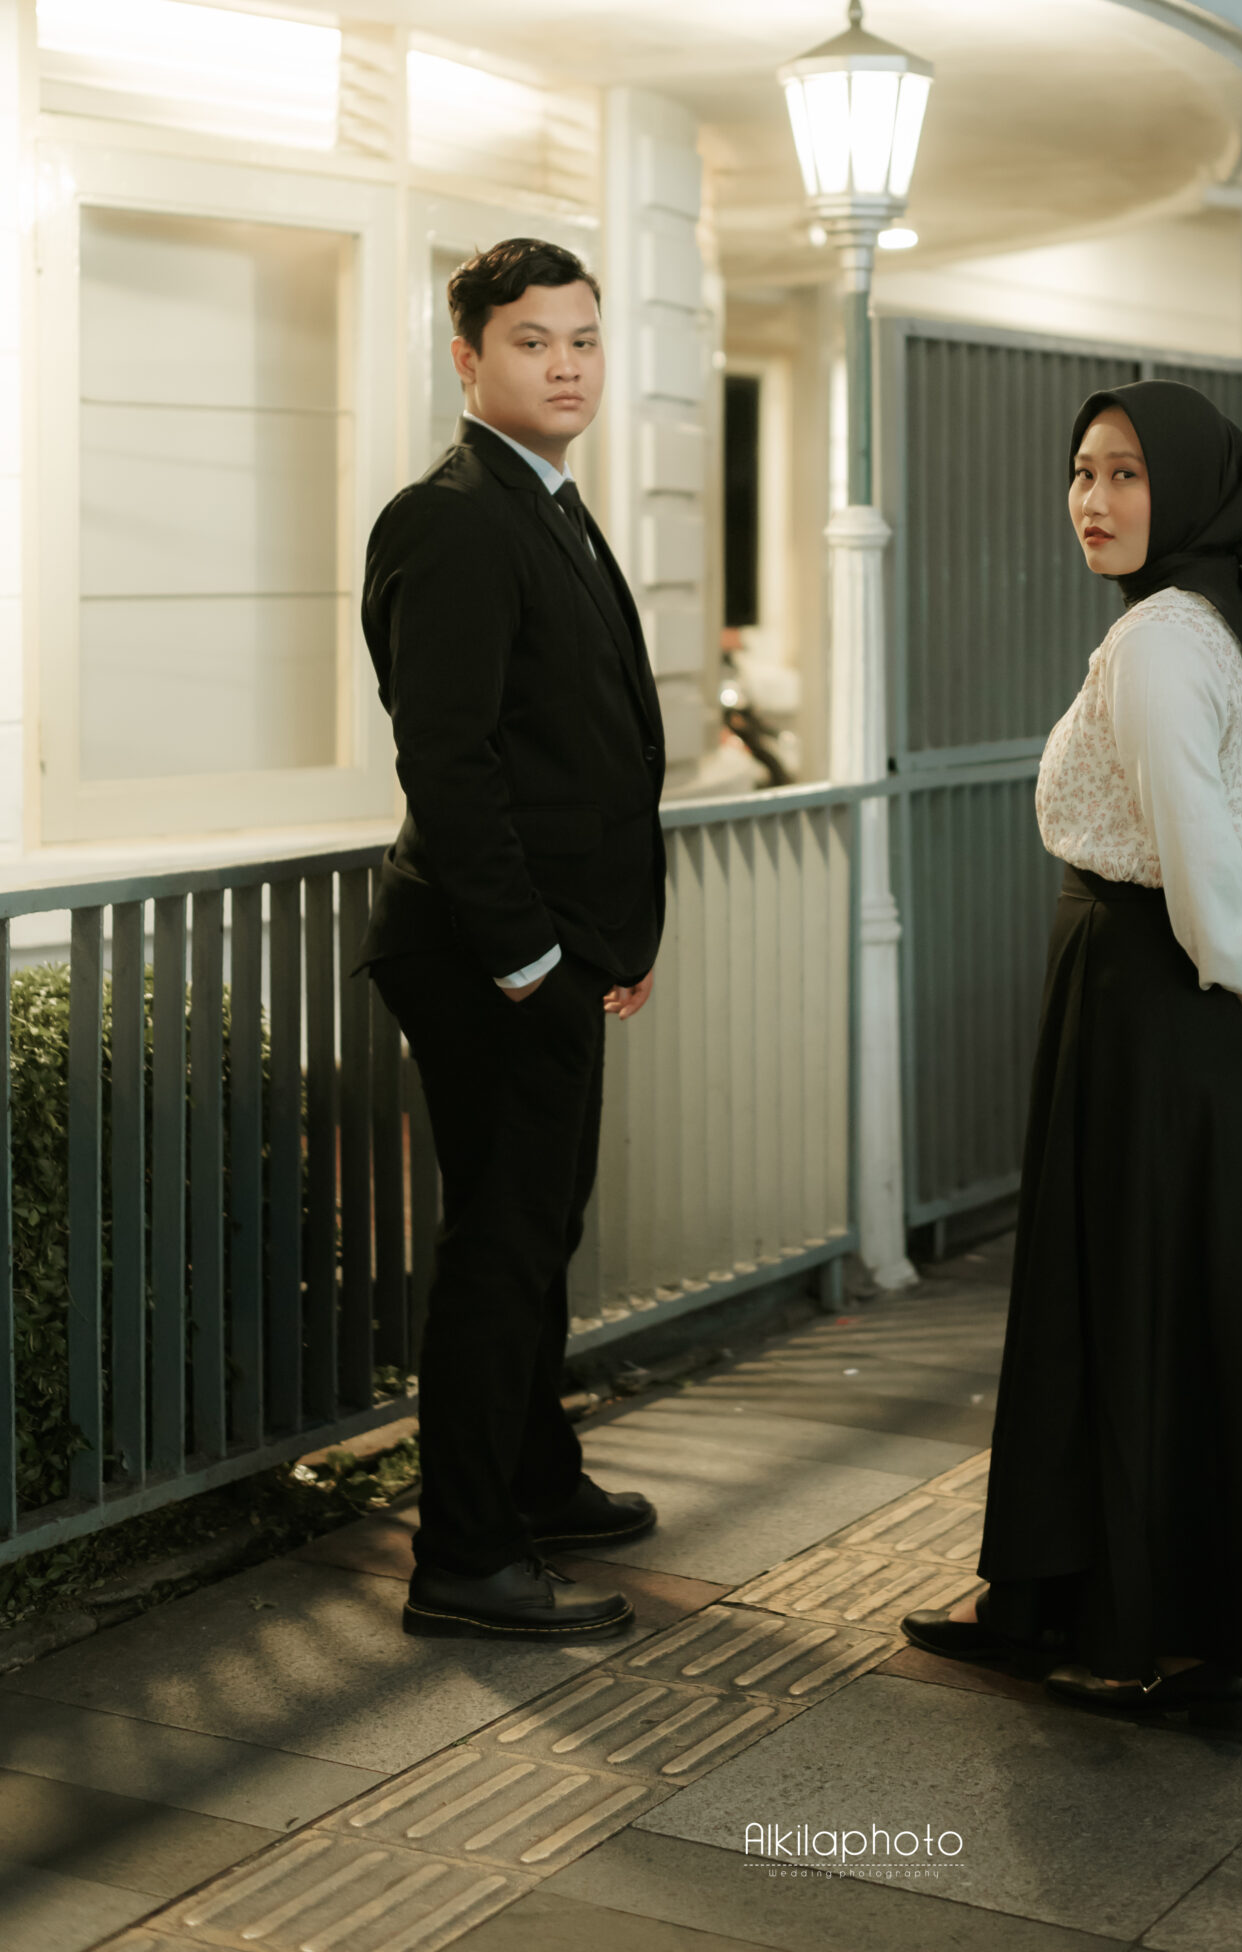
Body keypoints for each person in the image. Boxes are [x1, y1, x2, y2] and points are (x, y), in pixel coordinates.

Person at [901, 379, 1242, 1730]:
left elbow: (1200, 842)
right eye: (1083, 472)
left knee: (1134, 1299)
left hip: (1148, 997)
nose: (1092, 502)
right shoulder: (1211, 616)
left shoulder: (1161, 638)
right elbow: (1231, 824)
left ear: (1189, 489)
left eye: (1126, 476)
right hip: (1172, 992)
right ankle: (1065, 1602)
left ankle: (1150, 1635)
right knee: (1145, 1291)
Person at [358, 236, 668, 1640]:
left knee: (543, 1228)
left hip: (554, 944)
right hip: (488, 954)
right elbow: (451, 759)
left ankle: (535, 1478)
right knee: (502, 1243)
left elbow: (584, 746)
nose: (566, 365)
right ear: (468, 357)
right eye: (533, 341)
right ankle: (467, 1560)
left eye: (584, 340)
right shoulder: (454, 517)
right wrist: (533, 958)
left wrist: (615, 935)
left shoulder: (543, 500)